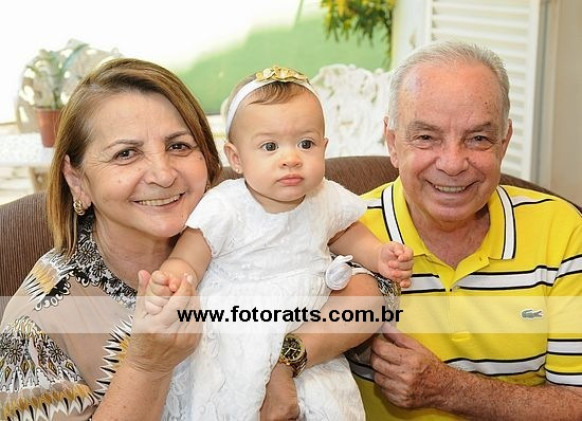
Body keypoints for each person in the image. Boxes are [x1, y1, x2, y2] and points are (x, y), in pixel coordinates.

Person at [144, 65, 414, 420]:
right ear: (236, 158)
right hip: (236, 336)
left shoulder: (325, 197)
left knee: (323, 403)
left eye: (306, 144)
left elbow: (348, 234)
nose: (290, 158)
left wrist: (380, 255)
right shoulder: (226, 205)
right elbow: (188, 258)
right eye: (270, 146)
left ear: (324, 147)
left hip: (308, 333)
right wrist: (171, 281)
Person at [352, 40, 582, 419]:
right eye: (427, 137)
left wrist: (447, 388)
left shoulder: (562, 230)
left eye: (477, 138)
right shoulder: (342, 231)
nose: (453, 163)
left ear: (503, 143)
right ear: (392, 142)